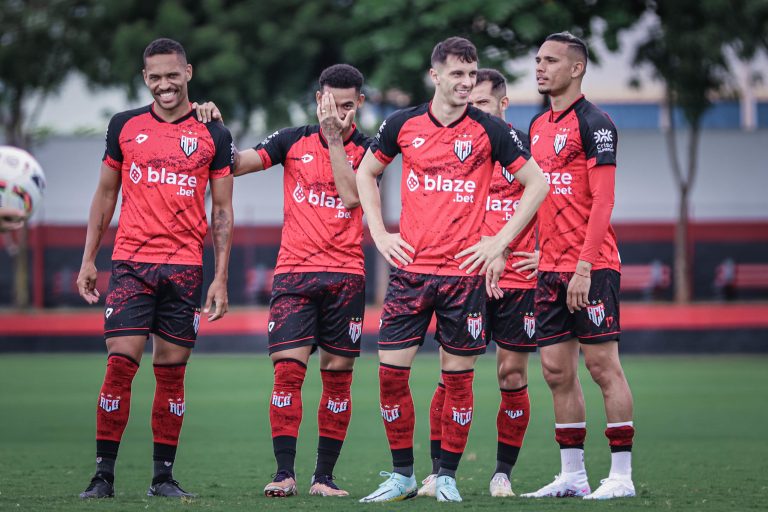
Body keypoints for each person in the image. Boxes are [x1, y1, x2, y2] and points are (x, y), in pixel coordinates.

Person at [356, 37, 549, 503]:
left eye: (472, 73)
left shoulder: (490, 130)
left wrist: (499, 241)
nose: (465, 83)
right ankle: (402, 475)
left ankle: (445, 477)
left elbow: (537, 182)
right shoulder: (402, 124)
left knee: (459, 381)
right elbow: (366, 173)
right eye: (457, 74)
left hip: (463, 277)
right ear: (435, 75)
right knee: (390, 376)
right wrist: (380, 235)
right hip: (411, 273)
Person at [198, 64, 371, 498]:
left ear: (361, 105)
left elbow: (352, 196)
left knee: (337, 379)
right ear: (318, 100)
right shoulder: (291, 139)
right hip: (294, 274)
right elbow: (236, 164)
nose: (340, 113)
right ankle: (284, 474)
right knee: (287, 374)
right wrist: (217, 130)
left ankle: (324, 478)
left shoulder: (371, 150)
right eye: (332, 104)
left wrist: (334, 138)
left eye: (349, 106)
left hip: (346, 277)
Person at [76, 38, 234, 500]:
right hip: (131, 264)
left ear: (189, 72)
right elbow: (106, 194)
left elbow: (222, 210)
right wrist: (89, 257)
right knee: (119, 365)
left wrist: (220, 274)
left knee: (171, 373)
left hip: (185, 269)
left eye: (172, 74)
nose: (165, 84)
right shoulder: (124, 125)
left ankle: (163, 478)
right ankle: (102, 475)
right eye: (155, 77)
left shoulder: (215, 134)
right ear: (145, 79)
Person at [520, 32, 636, 500]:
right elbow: (536, 197)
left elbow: (603, 202)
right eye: (538, 60)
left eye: (550, 61)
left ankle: (622, 477)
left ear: (576, 68)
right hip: (548, 269)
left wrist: (584, 266)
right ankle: (573, 475)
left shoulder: (596, 123)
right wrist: (535, 250)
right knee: (554, 370)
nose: (540, 67)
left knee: (603, 367)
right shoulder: (536, 126)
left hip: (592, 267)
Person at [416, 68, 540, 499]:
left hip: (519, 281)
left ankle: (502, 473)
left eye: (483, 104)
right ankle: (438, 472)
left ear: (503, 105)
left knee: (511, 373)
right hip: (464, 279)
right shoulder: (458, 145)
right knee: (451, 377)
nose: (475, 113)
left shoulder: (522, 148)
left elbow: (556, 200)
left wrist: (551, 253)